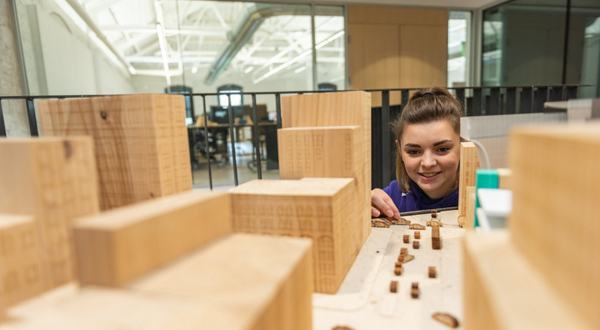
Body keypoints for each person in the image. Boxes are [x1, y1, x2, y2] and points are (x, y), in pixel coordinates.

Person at [371, 87, 463, 219]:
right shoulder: (391, 199)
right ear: (400, 150)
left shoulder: (481, 198)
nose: (427, 163)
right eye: (413, 151)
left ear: (463, 144)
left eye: (442, 149)